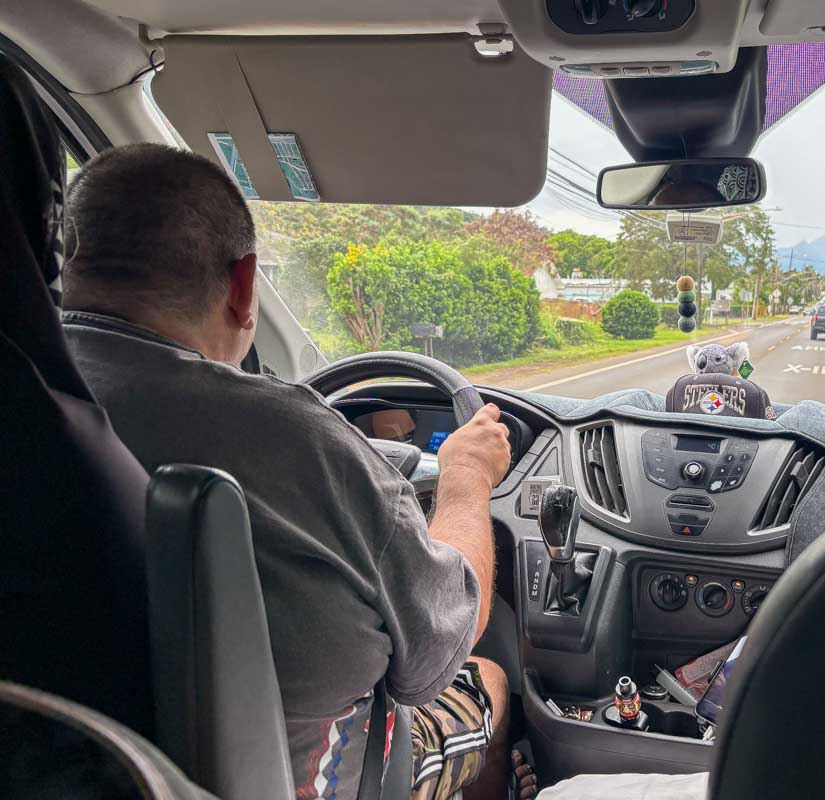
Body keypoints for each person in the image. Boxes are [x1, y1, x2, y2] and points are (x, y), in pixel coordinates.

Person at [60, 144, 533, 800]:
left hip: (73, 766)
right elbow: (434, 654)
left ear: (68, 264)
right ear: (245, 285)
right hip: (322, 781)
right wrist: (464, 480)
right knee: (487, 681)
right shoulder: (299, 438)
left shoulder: (29, 404)